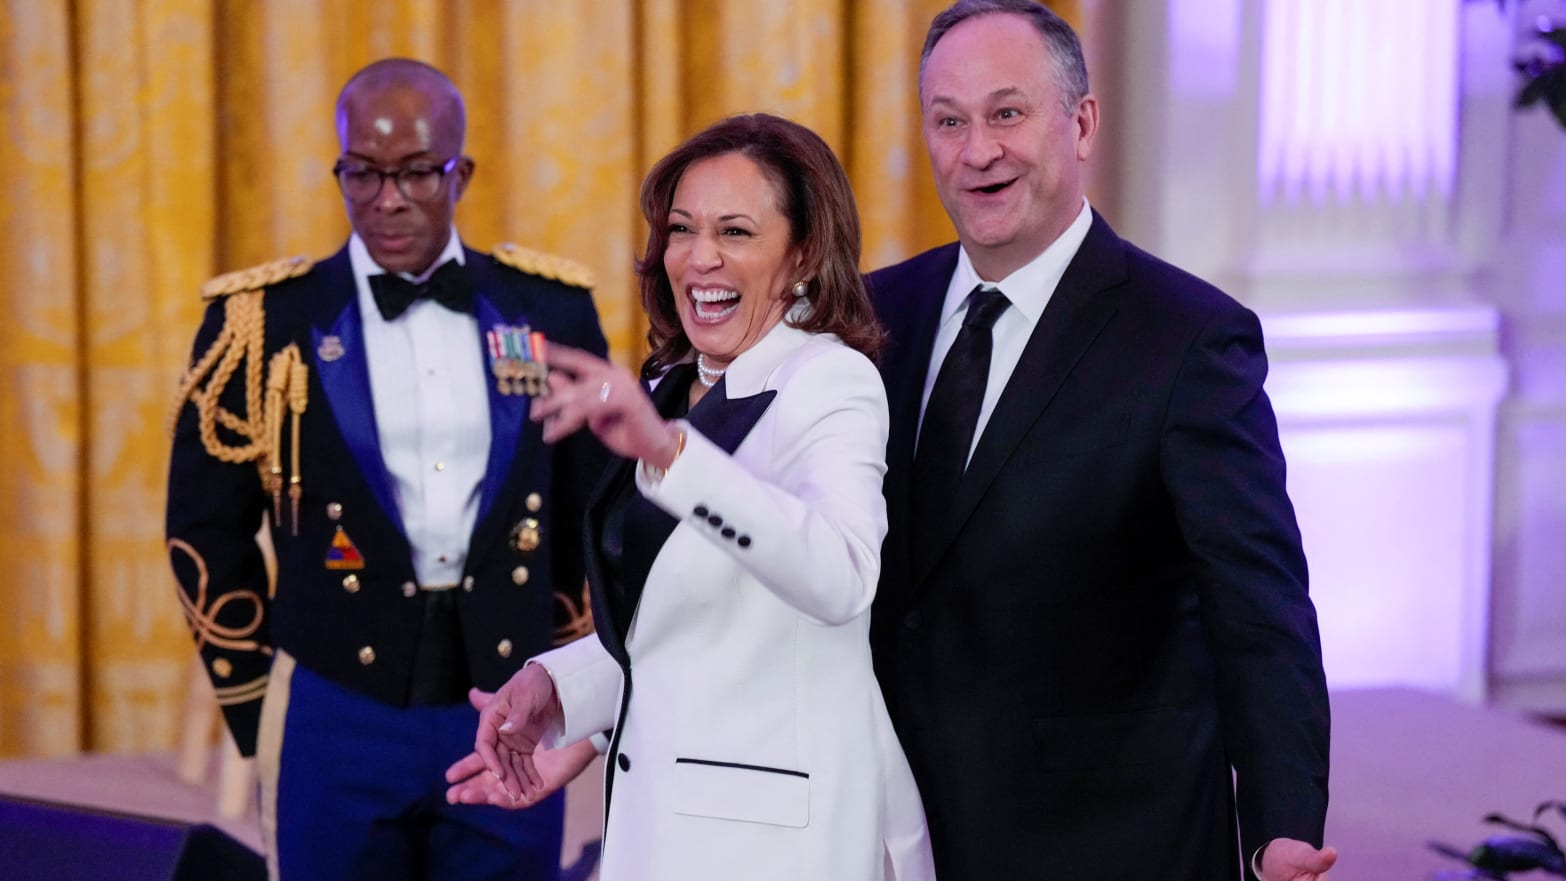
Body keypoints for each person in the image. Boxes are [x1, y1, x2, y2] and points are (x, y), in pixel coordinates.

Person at [864, 3, 1337, 880]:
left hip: (1106, 839)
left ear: (1081, 122)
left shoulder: (1190, 339)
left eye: (1007, 112)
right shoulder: (872, 315)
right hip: (891, 830)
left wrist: (1282, 822)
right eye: (949, 120)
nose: (978, 151)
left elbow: (1257, 606)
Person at [443, 113, 936, 881]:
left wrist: (672, 454)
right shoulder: (667, 386)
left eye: (736, 231)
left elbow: (840, 577)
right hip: (656, 832)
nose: (699, 257)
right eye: (681, 228)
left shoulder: (829, 381)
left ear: (802, 253)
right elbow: (686, 625)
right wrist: (556, 688)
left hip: (775, 845)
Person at [165, 58, 607, 881]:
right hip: (336, 706)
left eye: (414, 173)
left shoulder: (547, 307)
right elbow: (202, 525)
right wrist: (259, 707)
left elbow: (592, 511)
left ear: (460, 172)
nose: (387, 199)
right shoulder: (262, 324)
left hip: (502, 699)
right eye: (362, 173)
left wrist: (571, 682)